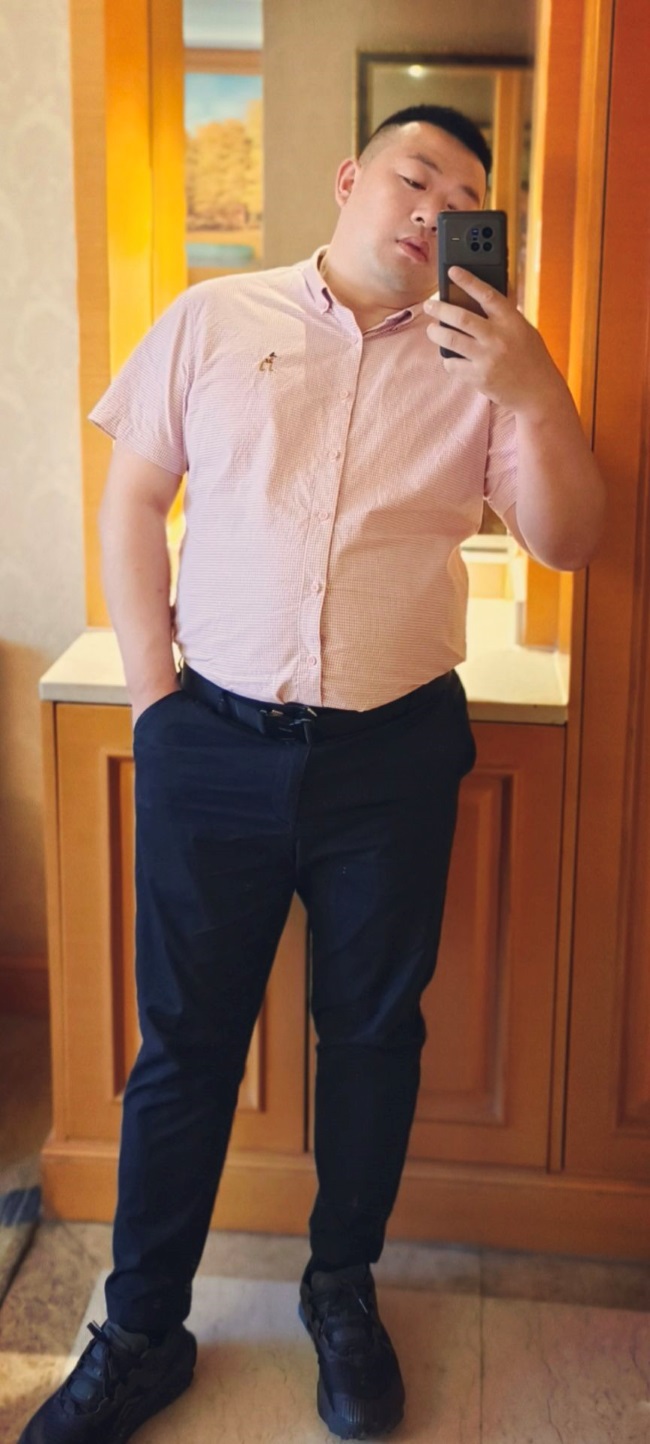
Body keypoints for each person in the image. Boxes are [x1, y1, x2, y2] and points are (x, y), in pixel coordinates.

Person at [20, 103, 604, 1444]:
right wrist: (156, 708)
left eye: (464, 195)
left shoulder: (487, 364)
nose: (433, 206)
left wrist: (533, 388)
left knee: (374, 1037)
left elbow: (569, 542)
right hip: (210, 744)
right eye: (415, 175)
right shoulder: (213, 318)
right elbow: (134, 499)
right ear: (350, 180)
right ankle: (142, 1331)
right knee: (183, 1048)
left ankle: (341, 1289)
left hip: (392, 759)